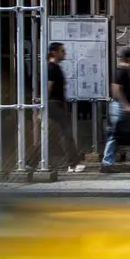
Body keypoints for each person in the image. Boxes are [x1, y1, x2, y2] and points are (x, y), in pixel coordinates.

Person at [45, 42, 84, 173]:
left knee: (54, 134)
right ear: (54, 53)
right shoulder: (52, 68)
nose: (64, 53)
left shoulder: (55, 67)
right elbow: (47, 89)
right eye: (62, 51)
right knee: (66, 133)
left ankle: (69, 162)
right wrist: (42, 107)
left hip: (56, 104)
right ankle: (73, 163)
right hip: (53, 104)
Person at [101, 47, 130, 173]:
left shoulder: (125, 70)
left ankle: (111, 160)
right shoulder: (122, 71)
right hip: (119, 107)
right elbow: (116, 89)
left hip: (120, 106)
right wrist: (125, 105)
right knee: (115, 134)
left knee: (121, 134)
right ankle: (106, 163)